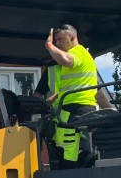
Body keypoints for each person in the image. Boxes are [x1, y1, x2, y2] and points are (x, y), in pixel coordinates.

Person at [44, 23, 107, 167]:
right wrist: (56, 96)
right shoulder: (82, 57)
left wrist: (50, 46)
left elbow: (66, 60)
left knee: (68, 150)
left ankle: (74, 173)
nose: (58, 43)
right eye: (56, 41)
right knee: (67, 149)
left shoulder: (77, 52)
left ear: (72, 36)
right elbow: (83, 86)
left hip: (77, 112)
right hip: (75, 110)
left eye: (60, 39)